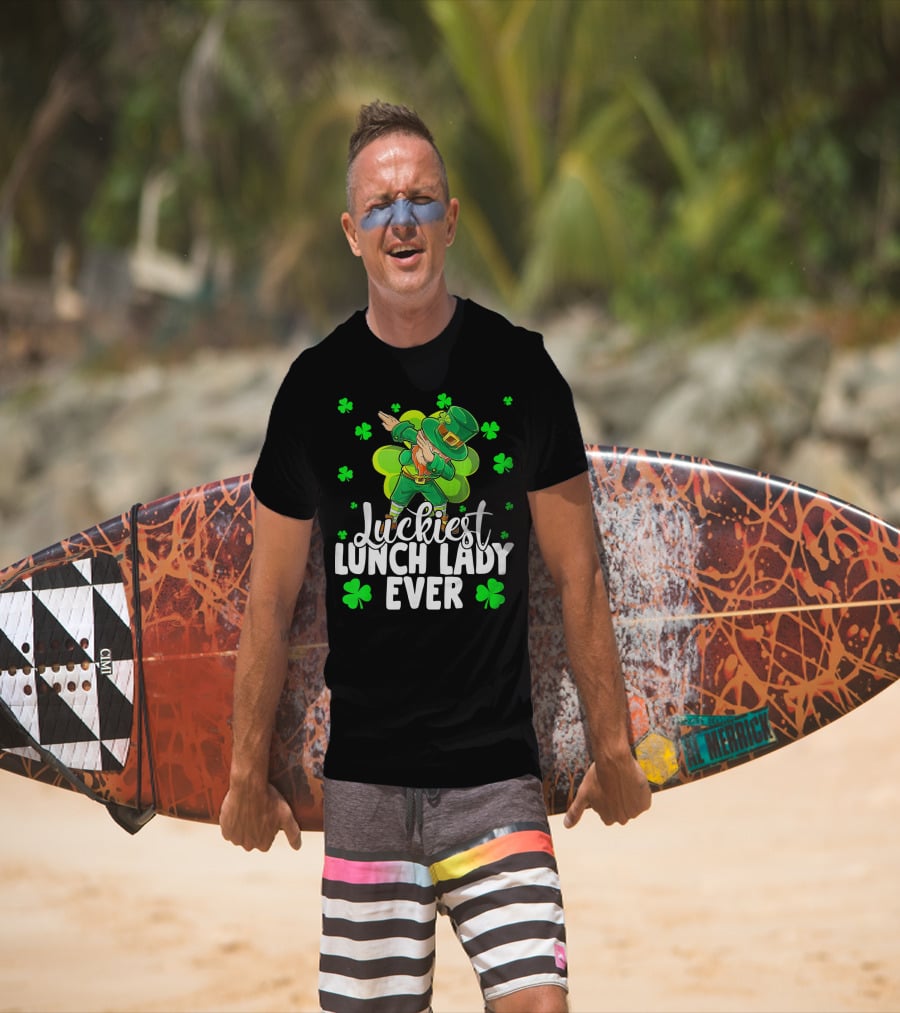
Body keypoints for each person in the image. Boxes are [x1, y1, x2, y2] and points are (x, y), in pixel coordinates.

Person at [220, 100, 651, 1013]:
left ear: (451, 219)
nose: (402, 220)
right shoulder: (313, 390)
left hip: (496, 780)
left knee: (540, 1003)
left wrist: (612, 747)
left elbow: (579, 575)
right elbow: (269, 602)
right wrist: (242, 773)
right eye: (380, 206)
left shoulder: (521, 372)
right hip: (367, 787)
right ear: (351, 233)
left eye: (421, 200)